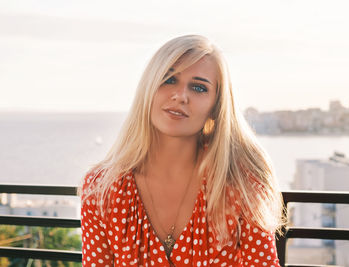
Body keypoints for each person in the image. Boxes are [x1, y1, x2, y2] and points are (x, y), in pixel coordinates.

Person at [80, 35, 285, 266]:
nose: (181, 96)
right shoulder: (102, 189)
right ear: (148, 89)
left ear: (215, 106)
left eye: (198, 87)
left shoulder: (241, 182)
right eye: (168, 79)